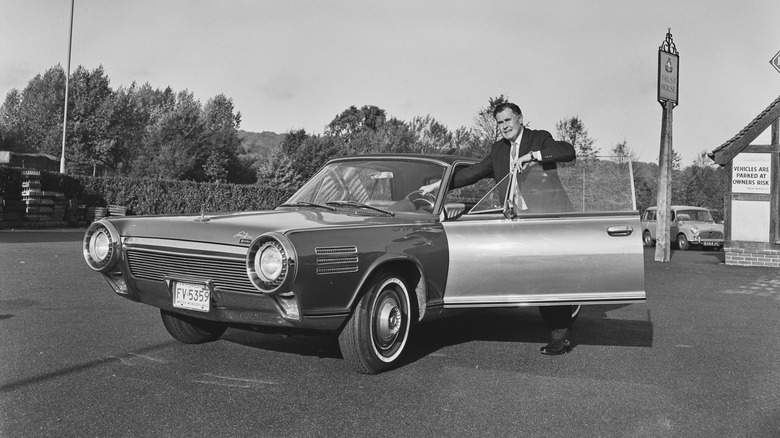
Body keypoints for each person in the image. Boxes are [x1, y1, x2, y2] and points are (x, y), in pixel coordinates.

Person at [420, 102, 576, 355]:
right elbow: (471, 173)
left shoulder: (540, 138)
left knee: (549, 276)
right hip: (516, 221)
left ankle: (560, 337)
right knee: (526, 272)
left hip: (547, 220)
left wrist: (533, 156)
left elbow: (568, 151)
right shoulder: (498, 150)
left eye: (508, 120)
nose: (504, 126)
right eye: (500, 123)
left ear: (520, 119)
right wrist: (438, 186)